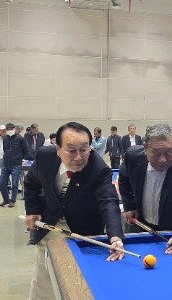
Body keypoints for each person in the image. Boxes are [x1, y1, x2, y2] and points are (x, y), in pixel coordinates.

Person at [24, 122, 125, 300]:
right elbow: (31, 182)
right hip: (49, 225)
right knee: (44, 279)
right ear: (58, 149)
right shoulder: (44, 156)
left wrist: (115, 236)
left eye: (84, 150)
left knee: (77, 284)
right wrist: (32, 210)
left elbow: (109, 201)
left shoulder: (99, 169)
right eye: (71, 151)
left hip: (82, 231)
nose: (79, 157)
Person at [118, 124, 172, 253]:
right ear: (145, 148)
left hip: (171, 235)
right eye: (156, 153)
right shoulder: (132, 156)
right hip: (139, 229)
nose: (162, 159)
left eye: (169, 153)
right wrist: (130, 206)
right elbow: (124, 177)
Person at [0, 122, 28, 207]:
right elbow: (5, 150)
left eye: (11, 129)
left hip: (16, 165)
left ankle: (13, 201)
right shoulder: (5, 138)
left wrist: (19, 159)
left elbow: (25, 151)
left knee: (15, 184)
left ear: (14, 129)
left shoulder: (20, 139)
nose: (9, 130)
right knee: (2, 183)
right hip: (5, 164)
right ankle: (6, 200)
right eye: (8, 129)